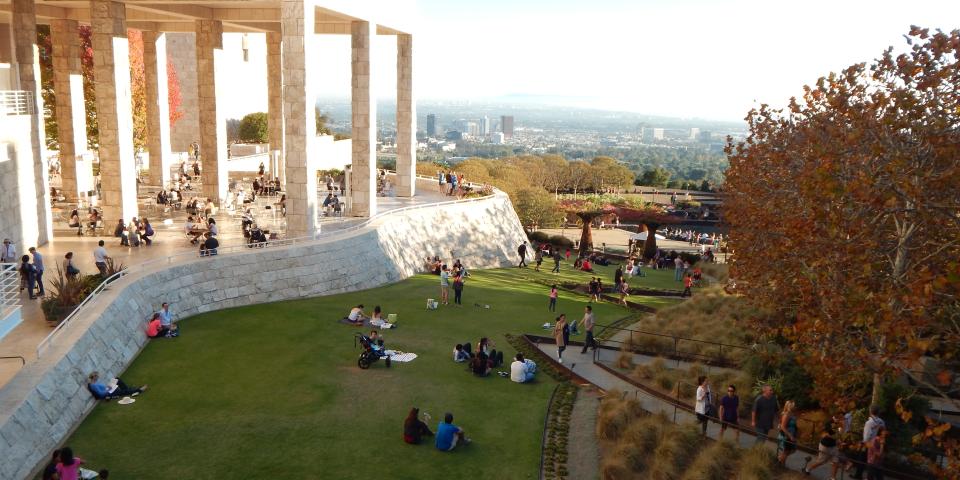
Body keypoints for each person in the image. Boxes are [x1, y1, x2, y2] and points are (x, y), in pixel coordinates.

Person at [853, 405, 886, 479]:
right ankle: (862, 475)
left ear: (870, 411)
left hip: (869, 444)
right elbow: (884, 432)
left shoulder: (869, 423)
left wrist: (864, 442)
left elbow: (867, 436)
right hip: (878, 443)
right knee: (876, 463)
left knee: (864, 460)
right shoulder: (882, 422)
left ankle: (860, 475)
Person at [777, 400, 799, 465]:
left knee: (791, 450)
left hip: (791, 435)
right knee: (787, 450)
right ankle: (780, 461)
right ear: (790, 406)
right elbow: (783, 426)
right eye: (794, 406)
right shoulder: (786, 414)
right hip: (786, 436)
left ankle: (781, 461)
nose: (795, 407)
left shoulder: (792, 414)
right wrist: (790, 435)